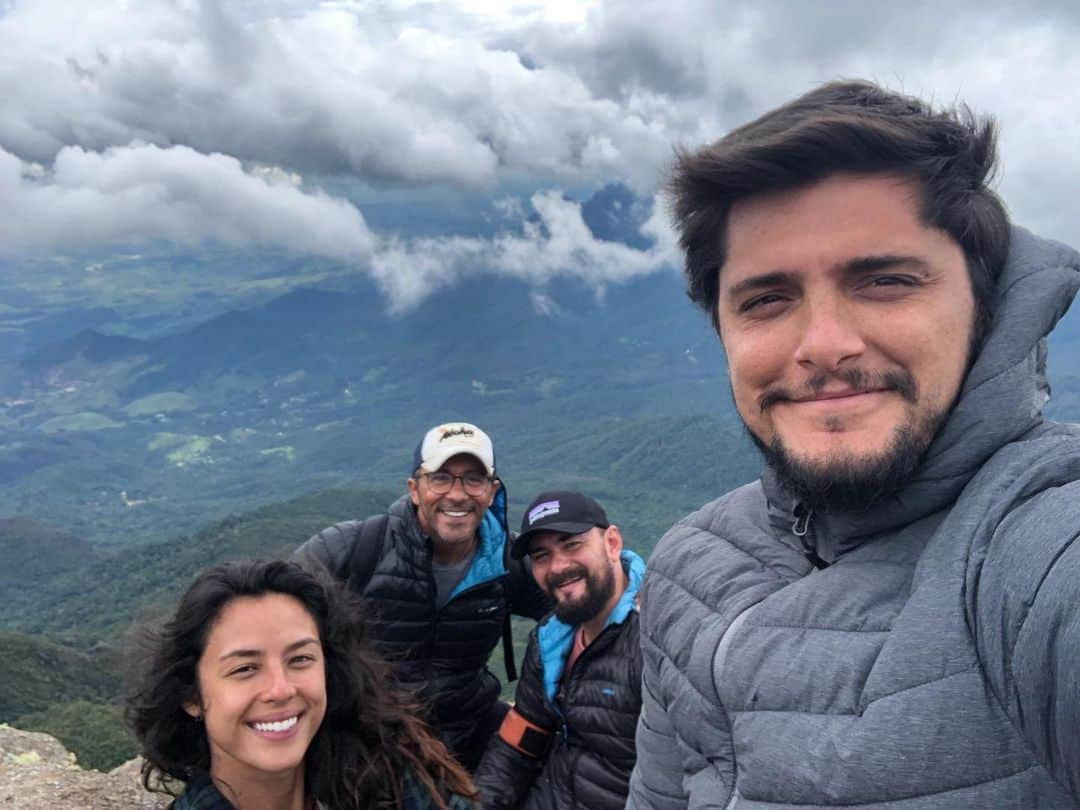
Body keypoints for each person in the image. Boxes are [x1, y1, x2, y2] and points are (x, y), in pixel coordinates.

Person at [628, 80, 1080, 809]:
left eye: (885, 281)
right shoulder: (686, 569)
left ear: (983, 305)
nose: (825, 346)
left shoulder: (1034, 543)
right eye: (767, 299)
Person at [294, 421, 549, 770]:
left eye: (473, 479)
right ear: (415, 489)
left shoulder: (509, 559)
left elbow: (581, 605)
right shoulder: (355, 548)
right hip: (365, 746)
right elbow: (270, 612)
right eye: (441, 478)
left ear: (491, 491)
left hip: (468, 739)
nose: (457, 494)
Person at [126, 558, 477, 809]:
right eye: (245, 668)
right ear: (191, 695)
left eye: (300, 660)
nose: (281, 689)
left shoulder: (383, 780)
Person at [474, 490, 644, 809]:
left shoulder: (656, 636)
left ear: (612, 543)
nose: (557, 567)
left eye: (571, 545)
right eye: (542, 556)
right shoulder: (552, 637)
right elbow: (520, 740)